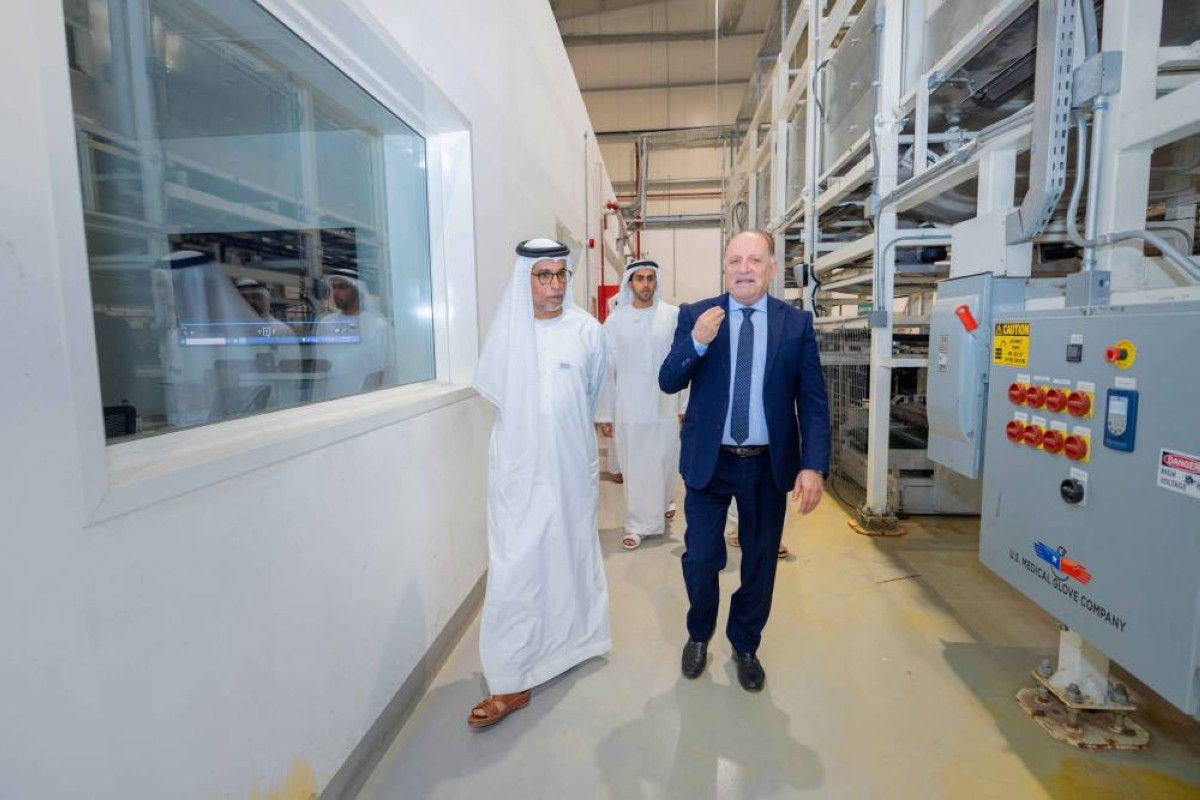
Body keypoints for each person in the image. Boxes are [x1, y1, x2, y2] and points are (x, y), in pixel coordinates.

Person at [658, 229, 830, 692]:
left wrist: (813, 465)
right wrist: (696, 342)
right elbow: (668, 380)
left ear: (771, 268)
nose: (744, 269)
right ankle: (699, 633)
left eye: (754, 260)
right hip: (709, 461)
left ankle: (745, 643)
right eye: (735, 260)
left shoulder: (795, 324)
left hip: (766, 464)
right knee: (700, 557)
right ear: (724, 268)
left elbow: (813, 401)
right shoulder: (698, 315)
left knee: (759, 560)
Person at [469, 238, 612, 728]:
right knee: (515, 565)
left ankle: (573, 643)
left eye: (560, 275)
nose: (554, 285)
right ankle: (509, 675)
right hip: (519, 470)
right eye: (542, 275)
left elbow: (592, 393)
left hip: (570, 466)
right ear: (524, 279)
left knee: (569, 554)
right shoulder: (507, 332)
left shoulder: (587, 331)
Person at [595, 260, 686, 550]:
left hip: (665, 405)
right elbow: (607, 371)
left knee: (666, 463)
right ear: (630, 283)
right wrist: (605, 412)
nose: (645, 284)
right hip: (629, 408)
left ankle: (663, 502)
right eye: (639, 279)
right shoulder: (615, 321)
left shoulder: (672, 316)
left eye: (650, 278)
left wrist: (684, 406)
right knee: (635, 468)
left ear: (656, 281)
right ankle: (636, 524)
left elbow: (684, 362)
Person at [314, 266, 394, 399]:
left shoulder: (378, 325)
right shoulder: (325, 324)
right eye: (334, 287)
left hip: (366, 401)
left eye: (342, 287)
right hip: (331, 402)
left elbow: (386, 370)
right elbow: (321, 368)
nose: (336, 293)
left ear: (358, 290)